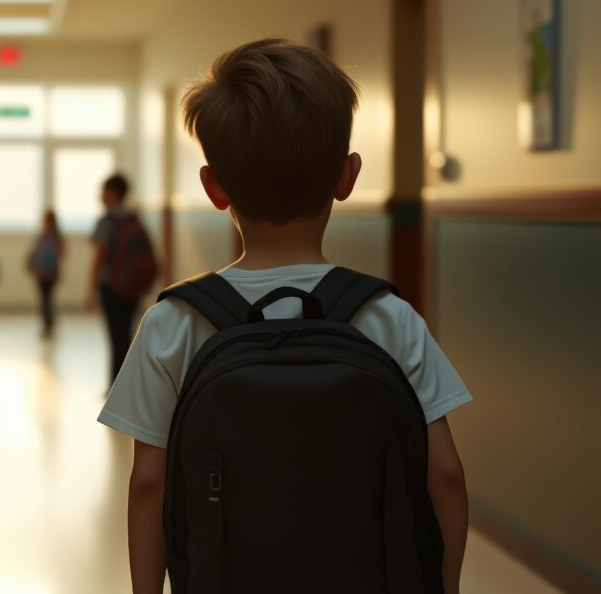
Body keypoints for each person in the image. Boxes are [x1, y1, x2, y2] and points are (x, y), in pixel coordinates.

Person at [97, 39, 471, 593]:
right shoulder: (390, 316)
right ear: (347, 177)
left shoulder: (171, 323)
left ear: (214, 188)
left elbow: (148, 485)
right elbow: (445, 475)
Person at [87, 173, 157, 385]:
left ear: (113, 193)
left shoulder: (107, 221)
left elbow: (100, 256)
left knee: (115, 336)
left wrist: (91, 289)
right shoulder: (133, 218)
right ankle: (127, 383)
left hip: (111, 286)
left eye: (104, 190)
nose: (100, 195)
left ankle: (115, 385)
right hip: (132, 286)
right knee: (126, 334)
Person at [27, 210, 65, 338]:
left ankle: (48, 325)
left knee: (46, 300)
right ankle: (48, 324)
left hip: (47, 273)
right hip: (47, 273)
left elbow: (35, 254)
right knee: (46, 300)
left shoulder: (44, 236)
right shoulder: (56, 237)